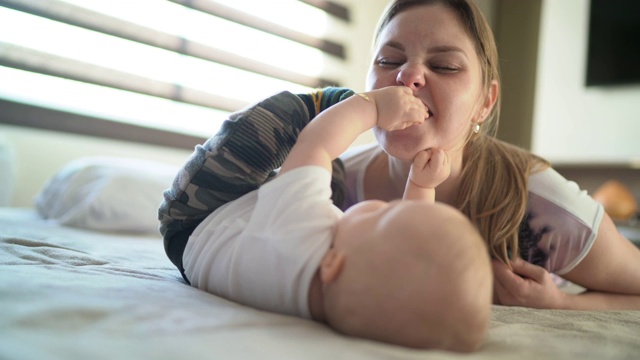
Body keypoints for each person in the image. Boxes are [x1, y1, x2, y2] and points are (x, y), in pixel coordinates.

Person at [161, 0, 639, 320]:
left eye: (445, 65)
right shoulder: (339, 182)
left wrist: (559, 303)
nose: (408, 75)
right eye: (389, 61)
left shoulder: (545, 210)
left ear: (485, 102)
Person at [178, 86, 492, 351]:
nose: (384, 204)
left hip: (195, 219)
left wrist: (370, 107)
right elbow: (407, 240)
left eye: (382, 213)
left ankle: (333, 105)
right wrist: (421, 185)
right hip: (246, 233)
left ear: (332, 264)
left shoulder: (303, 231)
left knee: (291, 122)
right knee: (333, 180)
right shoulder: (346, 300)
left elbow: (317, 142)